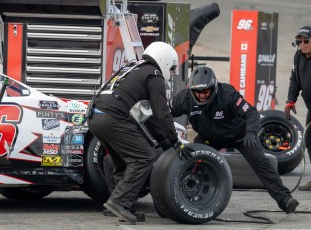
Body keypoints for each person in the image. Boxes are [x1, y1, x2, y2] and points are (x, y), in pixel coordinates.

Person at [88, 41, 194, 224]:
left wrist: (165, 140)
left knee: (118, 161)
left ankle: (123, 207)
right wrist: (175, 141)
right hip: (112, 118)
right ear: (165, 60)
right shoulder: (155, 76)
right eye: (172, 68)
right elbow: (162, 114)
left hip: (94, 117)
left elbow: (147, 118)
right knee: (145, 157)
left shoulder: (131, 68)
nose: (172, 73)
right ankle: (120, 202)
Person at [169, 66, 299, 214]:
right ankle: (182, 198)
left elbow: (252, 113)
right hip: (208, 138)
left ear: (214, 87)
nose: (202, 96)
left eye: (206, 91)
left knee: (261, 163)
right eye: (197, 92)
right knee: (189, 161)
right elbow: (164, 111)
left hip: (240, 136)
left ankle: (285, 199)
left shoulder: (228, 94)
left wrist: (251, 133)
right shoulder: (185, 98)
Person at [284, 26, 311, 191]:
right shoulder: (299, 56)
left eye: (306, 41)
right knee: (309, 141)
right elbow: (295, 79)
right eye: (299, 41)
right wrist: (290, 100)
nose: (302, 44)